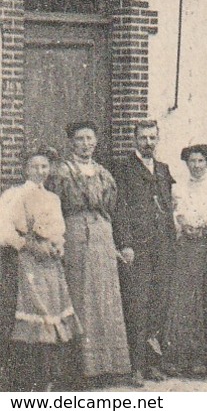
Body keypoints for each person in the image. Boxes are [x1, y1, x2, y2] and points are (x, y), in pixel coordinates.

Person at [50, 122, 132, 383]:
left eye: (89, 139)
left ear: (96, 142)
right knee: (80, 294)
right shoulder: (61, 172)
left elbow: (114, 209)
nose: (86, 144)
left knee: (106, 296)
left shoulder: (104, 173)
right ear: (71, 143)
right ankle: (81, 368)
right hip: (74, 233)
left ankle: (109, 366)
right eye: (80, 139)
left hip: (102, 235)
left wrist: (120, 244)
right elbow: (54, 208)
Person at [3, 147, 81, 391]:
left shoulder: (52, 198)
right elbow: (5, 230)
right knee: (32, 312)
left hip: (49, 265)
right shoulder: (14, 195)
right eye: (35, 166)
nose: (40, 171)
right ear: (26, 168)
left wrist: (58, 246)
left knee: (52, 313)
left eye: (44, 166)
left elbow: (58, 231)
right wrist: (27, 245)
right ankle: (26, 379)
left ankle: (50, 378)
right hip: (25, 261)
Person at [162, 144, 207, 378]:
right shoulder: (178, 189)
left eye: (201, 161)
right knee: (187, 305)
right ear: (187, 164)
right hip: (187, 251)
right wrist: (182, 229)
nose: (196, 166)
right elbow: (172, 218)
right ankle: (187, 358)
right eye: (192, 161)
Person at [110, 120, 176, 380]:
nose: (148, 143)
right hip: (137, 248)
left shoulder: (163, 169)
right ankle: (135, 366)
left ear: (158, 139)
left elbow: (168, 207)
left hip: (162, 247)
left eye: (152, 138)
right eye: (143, 138)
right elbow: (120, 209)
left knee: (158, 304)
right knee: (137, 305)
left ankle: (152, 363)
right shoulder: (123, 168)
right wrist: (124, 243)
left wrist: (172, 241)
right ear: (134, 139)